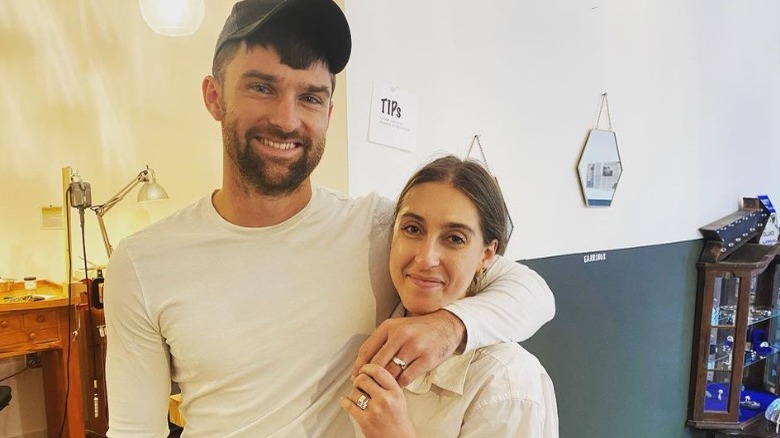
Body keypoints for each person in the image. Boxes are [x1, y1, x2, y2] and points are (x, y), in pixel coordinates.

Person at [103, 1, 555, 436]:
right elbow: (134, 430)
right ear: (214, 96)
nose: (286, 119)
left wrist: (447, 327)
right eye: (262, 87)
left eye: (311, 97)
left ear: (329, 113)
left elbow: (532, 293)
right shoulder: (144, 262)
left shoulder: (378, 228)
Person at [342, 155, 559, 437]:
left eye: (455, 238)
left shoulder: (505, 381)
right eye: (413, 229)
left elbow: (537, 293)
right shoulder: (371, 321)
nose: (425, 258)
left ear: (486, 255)